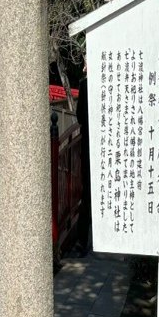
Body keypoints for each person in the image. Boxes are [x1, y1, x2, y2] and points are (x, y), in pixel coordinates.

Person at [76, 62, 91, 254]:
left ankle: (82, 241)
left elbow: (80, 115)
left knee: (87, 194)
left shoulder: (85, 85)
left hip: (88, 145)